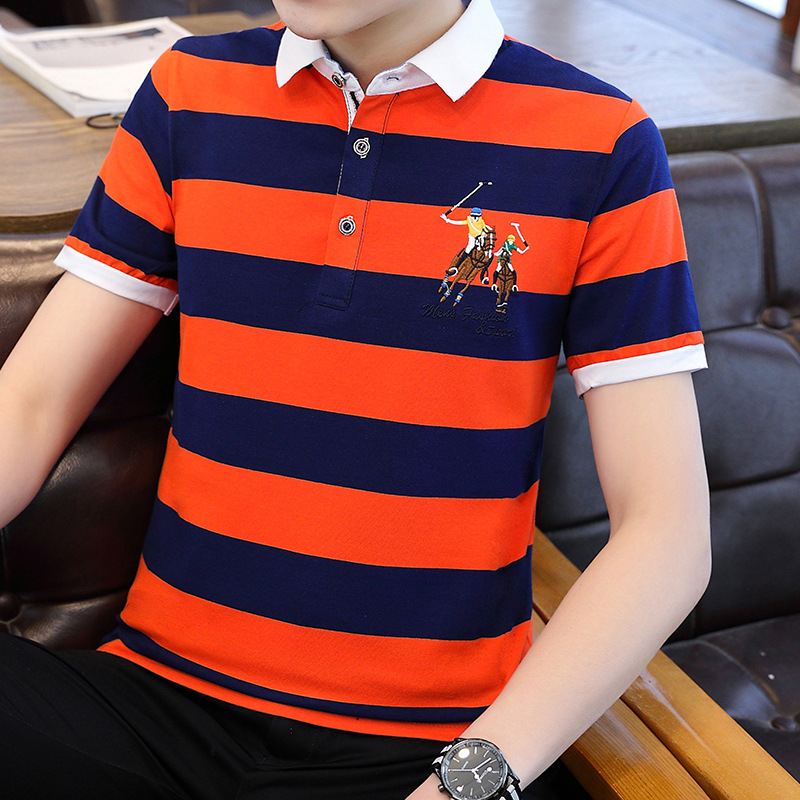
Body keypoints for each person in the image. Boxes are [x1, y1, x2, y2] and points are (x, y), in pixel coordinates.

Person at [0, 0, 712, 798]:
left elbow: (667, 534)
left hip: (425, 749)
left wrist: (469, 781)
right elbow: (30, 402)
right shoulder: (188, 91)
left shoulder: (602, 141)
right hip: (154, 708)